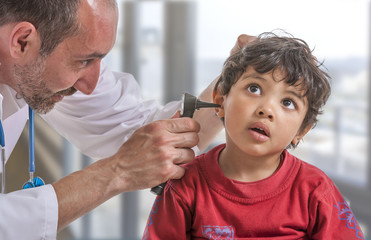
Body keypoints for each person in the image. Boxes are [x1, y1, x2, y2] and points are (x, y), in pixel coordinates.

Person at [0, 0, 254, 239]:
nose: (90, 85)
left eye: (98, 59)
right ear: (22, 41)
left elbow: (143, 133)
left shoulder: (39, 61)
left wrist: (231, 83)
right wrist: (116, 172)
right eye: (84, 61)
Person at [142, 32, 365, 239]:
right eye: (254, 88)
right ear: (220, 101)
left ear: (301, 131)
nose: (266, 109)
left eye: (288, 102)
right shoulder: (184, 186)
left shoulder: (316, 191)